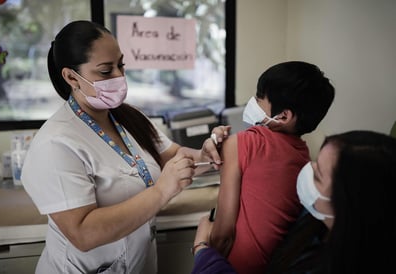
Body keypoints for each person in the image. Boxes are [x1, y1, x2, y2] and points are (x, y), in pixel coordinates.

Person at [20, 20, 222, 274]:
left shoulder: (128, 116)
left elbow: (171, 157)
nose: (119, 76)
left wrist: (205, 154)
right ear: (71, 76)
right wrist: (160, 192)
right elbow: (83, 233)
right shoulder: (56, 143)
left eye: (121, 65)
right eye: (105, 71)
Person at [191, 130, 396, 274]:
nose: (306, 171)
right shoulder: (314, 224)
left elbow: (222, 235)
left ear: (347, 205)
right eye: (314, 163)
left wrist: (202, 249)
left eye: (317, 176)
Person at [208, 61, 336, 273]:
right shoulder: (303, 155)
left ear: (284, 116)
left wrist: (203, 248)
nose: (253, 102)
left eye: (259, 98)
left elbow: (222, 236)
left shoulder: (242, 143)